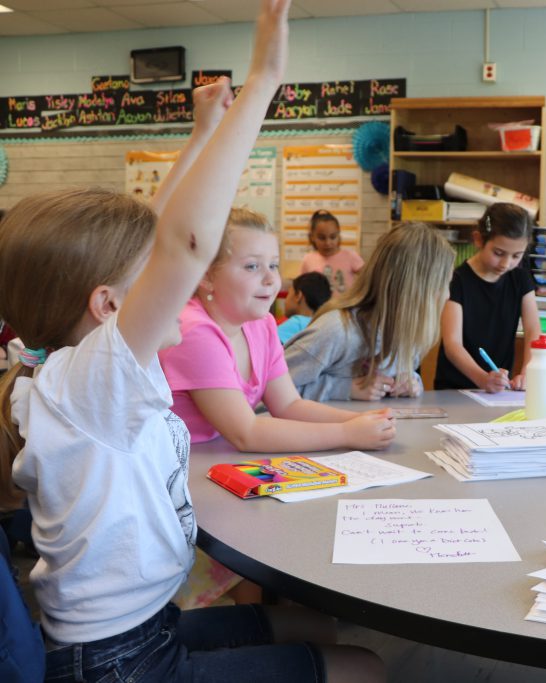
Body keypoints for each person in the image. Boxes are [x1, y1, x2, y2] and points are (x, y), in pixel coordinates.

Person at [0, 3, 384, 681]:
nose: (171, 286)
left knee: (317, 624)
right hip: (119, 660)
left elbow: (157, 233)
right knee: (362, 666)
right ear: (109, 305)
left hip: (145, 624)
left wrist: (203, 131)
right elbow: (181, 242)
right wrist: (264, 79)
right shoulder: (90, 383)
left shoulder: (72, 371)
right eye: (150, 282)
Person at [158, 206, 396, 451]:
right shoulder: (195, 331)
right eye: (252, 267)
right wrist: (347, 433)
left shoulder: (262, 325)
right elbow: (246, 433)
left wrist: (359, 421)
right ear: (206, 276)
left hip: (214, 456)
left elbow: (289, 405)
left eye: (273, 265)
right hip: (177, 468)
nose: (270, 279)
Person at [286, 222, 454, 401]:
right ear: (416, 290)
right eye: (443, 285)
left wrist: (411, 382)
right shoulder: (337, 331)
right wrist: (342, 389)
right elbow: (264, 388)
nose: (447, 295)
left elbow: (402, 374)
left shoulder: (407, 334)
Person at [434, 202, 542, 392]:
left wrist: (527, 372)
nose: (506, 263)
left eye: (516, 256)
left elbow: (533, 331)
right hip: (455, 388)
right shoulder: (456, 280)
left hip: (499, 389)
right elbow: (453, 344)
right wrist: (482, 379)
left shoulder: (520, 277)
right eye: (498, 253)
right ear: (478, 239)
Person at [300, 209, 364, 295]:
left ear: (338, 235)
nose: (328, 243)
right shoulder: (308, 260)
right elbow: (302, 288)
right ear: (312, 237)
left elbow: (369, 278)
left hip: (346, 307)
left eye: (333, 237)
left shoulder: (350, 256)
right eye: (322, 238)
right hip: (320, 308)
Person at [278, 271, 332, 344]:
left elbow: (264, 345)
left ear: (298, 296)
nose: (285, 301)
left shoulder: (297, 323)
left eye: (289, 293)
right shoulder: (323, 324)